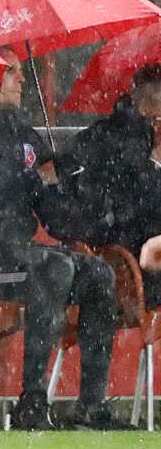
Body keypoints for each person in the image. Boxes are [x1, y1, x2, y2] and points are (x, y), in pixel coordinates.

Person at [0, 46, 130, 431]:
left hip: (22, 255)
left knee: (98, 273)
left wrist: (71, 184)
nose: (21, 78)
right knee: (54, 268)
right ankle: (32, 402)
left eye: (21, 71)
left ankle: (91, 407)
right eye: (10, 71)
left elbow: (55, 219)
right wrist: (26, 177)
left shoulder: (24, 135)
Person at [61, 63, 161, 307]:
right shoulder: (132, 145)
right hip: (131, 264)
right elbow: (139, 211)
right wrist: (155, 160)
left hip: (111, 259)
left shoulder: (98, 135)